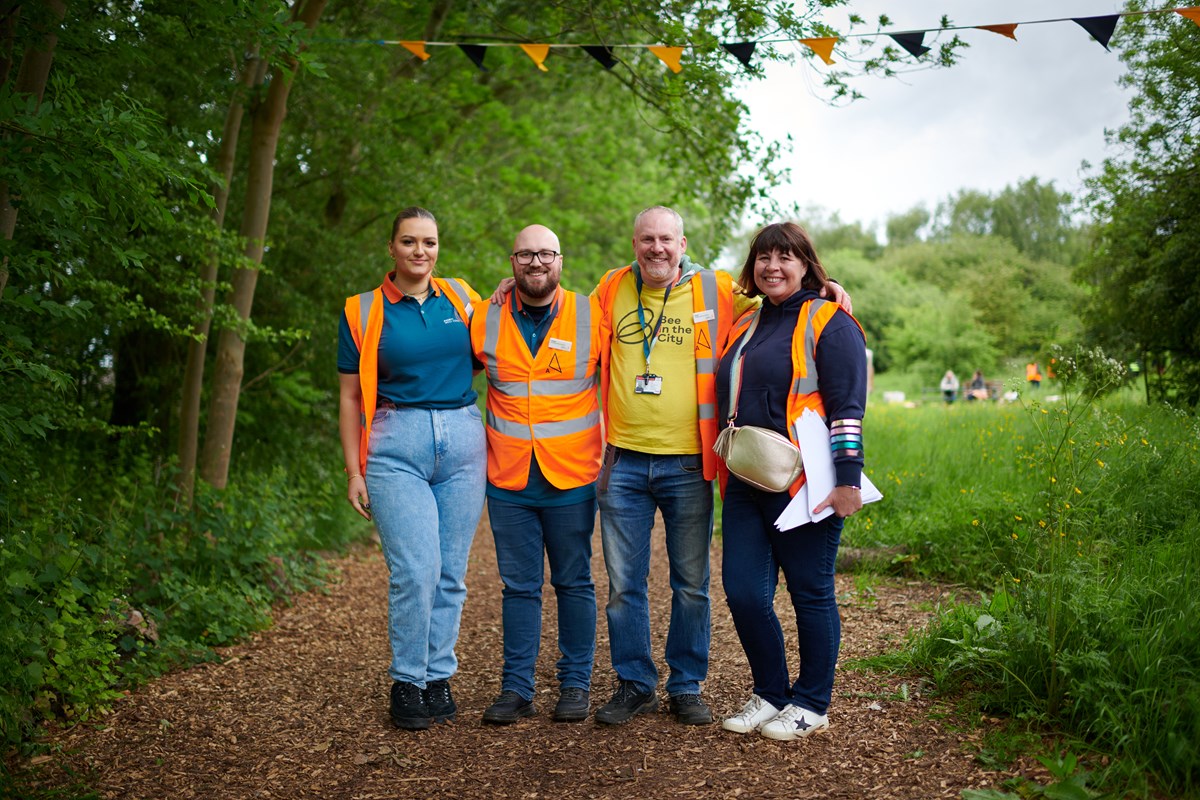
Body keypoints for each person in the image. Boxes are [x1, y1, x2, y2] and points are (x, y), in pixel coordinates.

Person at [489, 206, 851, 727]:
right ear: (633, 243)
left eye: (666, 240)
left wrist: (828, 285)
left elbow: (781, 292)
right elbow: (561, 310)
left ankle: (686, 685)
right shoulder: (611, 288)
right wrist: (515, 283)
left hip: (689, 461)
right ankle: (635, 683)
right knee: (623, 585)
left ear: (683, 244)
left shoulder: (718, 290)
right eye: (646, 239)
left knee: (691, 583)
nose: (656, 248)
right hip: (625, 462)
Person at [714, 221, 867, 742]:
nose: (772, 266)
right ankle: (771, 692)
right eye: (763, 257)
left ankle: (811, 702)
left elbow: (849, 408)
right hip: (745, 482)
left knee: (810, 592)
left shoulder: (831, 321)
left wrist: (847, 481)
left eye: (785, 256)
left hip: (807, 484)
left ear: (806, 264)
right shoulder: (745, 323)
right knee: (743, 593)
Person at [338, 206, 486, 731]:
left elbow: (506, 349)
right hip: (395, 445)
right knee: (414, 571)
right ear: (392, 248)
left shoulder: (464, 299)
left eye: (429, 242)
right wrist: (355, 470)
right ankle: (407, 680)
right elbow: (351, 396)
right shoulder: (361, 309)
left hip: (465, 440)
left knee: (450, 572)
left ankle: (437, 676)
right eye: (409, 242)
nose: (420, 252)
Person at [469, 225, 608, 725]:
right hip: (508, 479)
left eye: (545, 253)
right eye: (526, 254)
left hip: (571, 477)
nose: (536, 262)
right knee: (519, 587)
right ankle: (517, 688)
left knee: (574, 582)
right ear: (512, 262)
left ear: (560, 260)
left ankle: (575, 684)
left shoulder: (594, 315)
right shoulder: (482, 317)